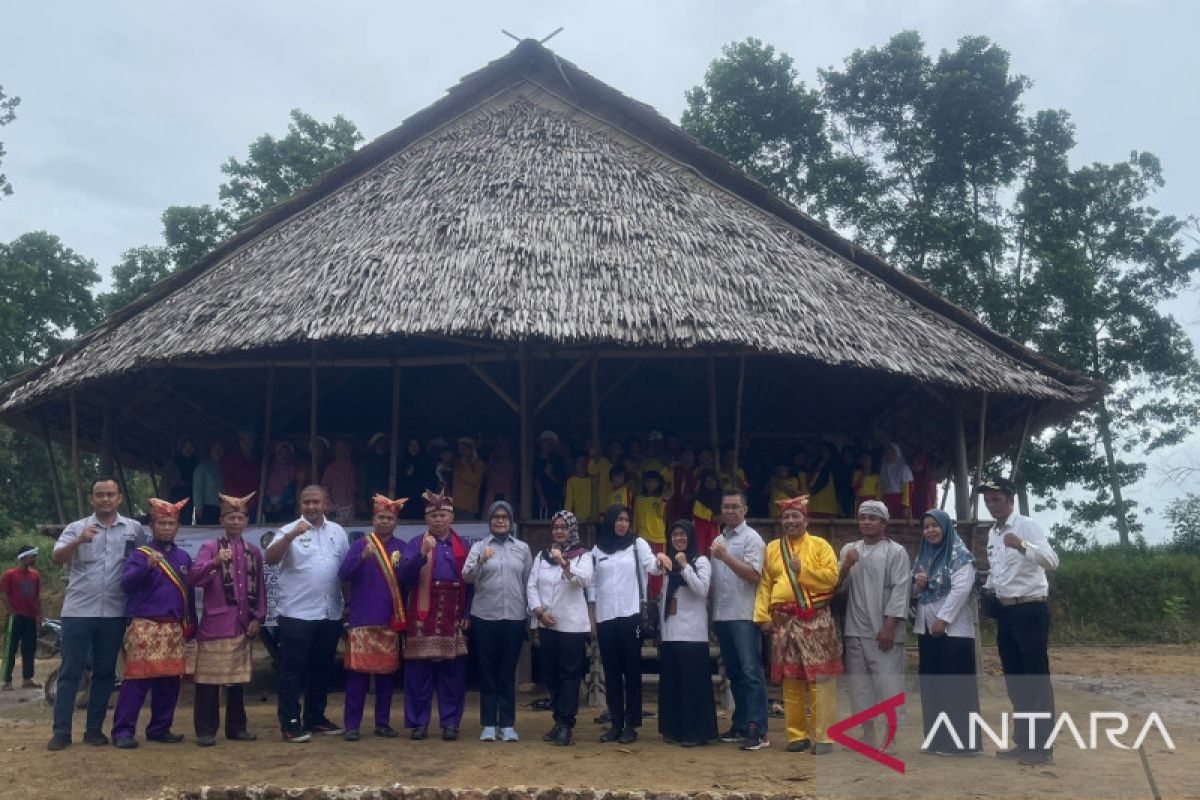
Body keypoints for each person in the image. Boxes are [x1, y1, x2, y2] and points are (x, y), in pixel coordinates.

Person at [48, 477, 144, 751]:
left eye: (110, 494)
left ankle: (94, 731)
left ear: (119, 498)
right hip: (78, 611)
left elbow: (139, 563)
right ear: (92, 499)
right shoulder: (77, 528)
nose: (105, 499)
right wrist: (78, 541)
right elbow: (56, 558)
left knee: (105, 673)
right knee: (71, 671)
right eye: (99, 495)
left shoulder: (133, 529)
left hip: (114, 612)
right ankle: (61, 732)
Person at [979, 477, 1059, 766]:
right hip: (1006, 612)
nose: (991, 504)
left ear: (1010, 499)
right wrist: (987, 589)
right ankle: (1024, 743)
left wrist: (1023, 544)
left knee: (1035, 679)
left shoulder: (1025, 525)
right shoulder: (993, 533)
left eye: (996, 498)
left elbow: (1052, 561)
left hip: (1030, 609)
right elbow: (997, 570)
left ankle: (1042, 747)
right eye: (987, 500)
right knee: (1015, 679)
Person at [754, 495, 841, 755]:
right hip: (783, 620)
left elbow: (832, 579)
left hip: (815, 618)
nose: (790, 521)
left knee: (820, 679)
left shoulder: (820, 545)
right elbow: (765, 583)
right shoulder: (772, 548)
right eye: (786, 517)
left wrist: (802, 570)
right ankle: (797, 735)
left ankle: (824, 736)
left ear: (807, 520)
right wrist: (762, 615)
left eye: (796, 516)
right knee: (790, 679)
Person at [266, 484, 350, 741]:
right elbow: (270, 558)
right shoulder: (287, 530)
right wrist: (291, 536)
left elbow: (344, 571)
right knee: (293, 669)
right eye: (306, 502)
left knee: (322, 668)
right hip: (296, 613)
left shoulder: (337, 532)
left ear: (326, 504)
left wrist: (347, 604)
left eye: (316, 502)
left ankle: (315, 718)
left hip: (329, 612)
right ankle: (290, 723)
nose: (311, 507)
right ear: (300, 505)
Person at [111, 497, 194, 749]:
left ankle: (160, 728)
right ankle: (123, 731)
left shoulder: (183, 556)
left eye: (171, 523)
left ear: (177, 526)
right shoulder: (140, 555)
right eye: (162, 523)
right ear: (152, 526)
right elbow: (126, 585)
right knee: (137, 680)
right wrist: (146, 567)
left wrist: (192, 625)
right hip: (146, 625)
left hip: (173, 626)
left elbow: (188, 594)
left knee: (170, 681)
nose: (167, 528)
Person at [189, 491, 266, 746]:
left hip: (242, 622)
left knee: (236, 680)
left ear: (246, 521)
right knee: (208, 681)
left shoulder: (253, 551)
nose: (235, 521)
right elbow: (194, 578)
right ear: (222, 520)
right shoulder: (211, 547)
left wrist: (259, 617)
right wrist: (214, 562)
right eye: (230, 517)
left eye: (240, 517)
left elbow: (261, 590)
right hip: (216, 622)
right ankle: (205, 730)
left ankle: (237, 728)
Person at [837, 499, 911, 751]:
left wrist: (890, 626)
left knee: (888, 684)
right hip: (855, 628)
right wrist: (847, 564)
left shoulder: (896, 552)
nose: (866, 522)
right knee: (859, 685)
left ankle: (892, 737)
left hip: (884, 629)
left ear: (884, 523)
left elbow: (901, 591)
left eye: (872, 518)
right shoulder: (849, 549)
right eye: (862, 517)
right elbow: (836, 587)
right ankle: (867, 733)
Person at [397, 489, 471, 740]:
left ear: (451, 518)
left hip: (453, 610)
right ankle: (419, 723)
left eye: (443, 515)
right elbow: (403, 576)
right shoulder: (416, 543)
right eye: (433, 515)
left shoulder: (462, 546)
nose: (438, 519)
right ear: (427, 519)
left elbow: (471, 583)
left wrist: (467, 612)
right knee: (419, 672)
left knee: (453, 673)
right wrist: (421, 554)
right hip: (422, 610)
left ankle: (450, 723)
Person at [588, 503, 661, 744]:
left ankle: (631, 724)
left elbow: (652, 567)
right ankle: (616, 723)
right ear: (610, 521)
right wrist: (592, 618)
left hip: (631, 616)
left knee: (631, 672)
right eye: (618, 519)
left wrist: (661, 560)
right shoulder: (597, 550)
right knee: (611, 673)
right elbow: (592, 586)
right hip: (606, 617)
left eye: (626, 520)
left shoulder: (638, 545)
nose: (622, 524)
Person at [338, 495, 408, 741]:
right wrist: (362, 558)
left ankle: (382, 722)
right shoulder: (360, 545)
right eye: (381, 517)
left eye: (390, 518)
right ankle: (352, 725)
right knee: (357, 675)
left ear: (396, 522)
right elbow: (343, 573)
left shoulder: (402, 546)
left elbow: (408, 578)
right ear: (373, 519)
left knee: (386, 677)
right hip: (362, 619)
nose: (385, 522)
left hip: (389, 619)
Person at [462, 500, 532, 742]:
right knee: (487, 670)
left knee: (507, 671)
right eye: (495, 517)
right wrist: (481, 560)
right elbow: (467, 576)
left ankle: (508, 724)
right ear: (489, 521)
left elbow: (528, 583)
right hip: (484, 617)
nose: (500, 521)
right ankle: (489, 724)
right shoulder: (479, 547)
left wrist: (530, 616)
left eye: (504, 517)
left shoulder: (522, 548)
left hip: (514, 616)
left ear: (511, 522)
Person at [913, 509, 980, 756]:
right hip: (927, 630)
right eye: (926, 526)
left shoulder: (961, 556)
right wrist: (919, 587)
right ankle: (937, 741)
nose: (930, 530)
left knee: (956, 688)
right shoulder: (924, 556)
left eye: (934, 526)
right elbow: (918, 595)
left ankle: (963, 744)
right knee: (933, 687)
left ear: (946, 527)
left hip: (953, 632)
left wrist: (943, 619)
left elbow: (961, 590)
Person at [527, 509, 594, 746]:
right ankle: (557, 720)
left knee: (569, 676)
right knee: (551, 675)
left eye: (563, 527)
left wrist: (564, 562)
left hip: (572, 626)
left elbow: (584, 580)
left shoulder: (582, 555)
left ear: (571, 530)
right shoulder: (541, 556)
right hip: (547, 624)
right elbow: (532, 585)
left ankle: (567, 723)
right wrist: (539, 612)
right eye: (555, 527)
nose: (559, 531)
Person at [710, 488, 769, 750]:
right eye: (726, 507)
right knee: (734, 672)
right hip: (723, 614)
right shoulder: (719, 538)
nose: (730, 511)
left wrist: (726, 557)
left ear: (745, 510)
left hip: (744, 614)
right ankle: (741, 723)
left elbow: (755, 575)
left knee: (751, 672)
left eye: (735, 507)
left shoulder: (752, 539)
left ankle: (758, 729)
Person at [657, 520, 717, 748]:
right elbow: (664, 597)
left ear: (691, 537)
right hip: (671, 631)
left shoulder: (700, 561)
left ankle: (696, 732)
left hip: (692, 633)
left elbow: (702, 590)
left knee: (693, 686)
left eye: (683, 534)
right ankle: (673, 729)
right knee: (673, 684)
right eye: (675, 535)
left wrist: (684, 566)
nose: (679, 539)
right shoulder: (668, 563)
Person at [1, 547, 42, 691]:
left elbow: (36, 597)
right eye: (32, 556)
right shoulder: (10, 575)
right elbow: (4, 594)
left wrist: (39, 614)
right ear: (23, 558)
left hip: (30, 617)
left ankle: (27, 679)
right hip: (16, 617)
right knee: (10, 649)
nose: (34, 559)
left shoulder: (36, 575)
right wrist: (12, 612)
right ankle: (6, 681)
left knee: (29, 649)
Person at [632, 470, 668, 598]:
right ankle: (645, 597)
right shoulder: (638, 499)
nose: (650, 484)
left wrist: (663, 501)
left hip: (658, 537)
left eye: (654, 481)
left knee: (658, 569)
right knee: (644, 569)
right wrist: (634, 533)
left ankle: (657, 597)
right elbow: (635, 517)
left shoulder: (661, 499)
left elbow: (661, 515)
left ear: (659, 483)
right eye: (648, 481)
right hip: (642, 538)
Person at [222, 429, 260, 516]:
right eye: (243, 439)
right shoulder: (232, 459)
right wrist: (241, 501)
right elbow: (228, 483)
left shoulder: (257, 460)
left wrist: (254, 499)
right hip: (236, 503)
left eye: (249, 440)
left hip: (254, 503)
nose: (247, 442)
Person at [321, 439, 358, 524]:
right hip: (334, 504)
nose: (343, 453)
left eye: (346, 451)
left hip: (349, 504)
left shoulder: (353, 466)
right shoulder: (332, 467)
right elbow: (325, 486)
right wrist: (329, 503)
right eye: (340, 451)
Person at [397, 437, 434, 518]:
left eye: (416, 445)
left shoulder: (427, 462)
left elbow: (431, 481)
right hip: (406, 500)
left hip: (422, 500)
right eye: (411, 445)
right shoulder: (403, 462)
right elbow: (399, 482)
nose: (413, 448)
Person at [452, 437, 487, 519]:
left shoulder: (479, 464)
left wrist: (466, 465)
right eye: (460, 447)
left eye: (464, 447)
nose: (461, 450)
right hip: (454, 504)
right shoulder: (458, 463)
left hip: (467, 507)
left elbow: (474, 480)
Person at [533, 431, 566, 518]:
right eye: (546, 442)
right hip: (537, 498)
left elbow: (561, 481)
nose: (548, 445)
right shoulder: (535, 460)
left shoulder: (558, 460)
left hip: (554, 497)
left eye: (551, 443)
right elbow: (535, 479)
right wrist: (541, 497)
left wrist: (549, 474)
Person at [690, 467, 722, 556]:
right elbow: (696, 512)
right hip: (700, 526)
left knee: (713, 550)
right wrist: (713, 517)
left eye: (712, 480)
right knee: (699, 551)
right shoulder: (699, 497)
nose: (710, 484)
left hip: (714, 527)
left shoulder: (720, 494)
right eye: (707, 481)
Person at [264, 441, 299, 523]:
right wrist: (266, 502)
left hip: (286, 504)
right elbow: (264, 487)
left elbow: (292, 485)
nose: (283, 455)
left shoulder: (292, 468)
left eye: (286, 453)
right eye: (281, 452)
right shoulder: (269, 468)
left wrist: (281, 502)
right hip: (270, 505)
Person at [193, 442, 225, 525]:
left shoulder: (225, 467)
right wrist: (198, 508)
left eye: (220, 449)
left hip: (222, 508)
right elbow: (197, 489)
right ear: (210, 451)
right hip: (206, 508)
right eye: (215, 449)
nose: (218, 451)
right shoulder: (202, 467)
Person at [880, 444, 913, 521]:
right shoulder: (883, 468)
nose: (889, 456)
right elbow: (880, 487)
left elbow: (907, 488)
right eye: (887, 454)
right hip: (887, 501)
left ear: (897, 454)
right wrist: (879, 502)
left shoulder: (904, 468)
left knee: (900, 523)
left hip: (899, 501)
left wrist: (905, 505)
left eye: (892, 453)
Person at [564, 455, 595, 522]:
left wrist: (594, 516)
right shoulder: (571, 481)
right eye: (580, 463)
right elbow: (569, 500)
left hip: (591, 519)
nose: (582, 465)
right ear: (576, 465)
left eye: (584, 463)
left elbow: (595, 499)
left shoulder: (592, 480)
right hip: (576, 518)